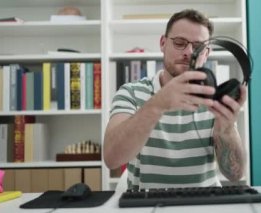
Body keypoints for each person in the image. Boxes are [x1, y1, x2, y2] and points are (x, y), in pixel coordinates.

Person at [103, 9, 247, 190]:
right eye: (180, 43)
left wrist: (225, 130)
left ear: (207, 54)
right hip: (145, 204)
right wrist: (158, 104)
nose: (188, 52)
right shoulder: (130, 93)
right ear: (163, 43)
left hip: (205, 204)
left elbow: (235, 174)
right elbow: (111, 158)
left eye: (198, 47)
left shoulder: (215, 99)